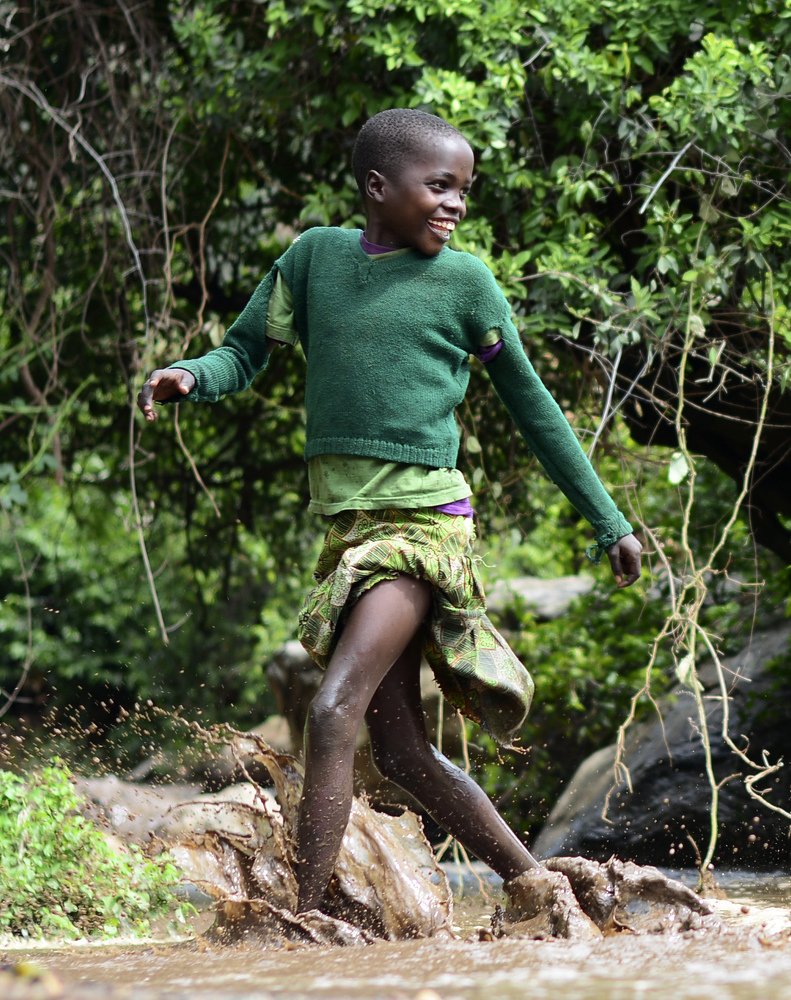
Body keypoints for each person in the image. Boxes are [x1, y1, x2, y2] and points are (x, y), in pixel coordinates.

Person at [138, 108, 642, 922]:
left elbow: (533, 408)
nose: (455, 205)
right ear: (378, 187)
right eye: (438, 186)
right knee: (404, 751)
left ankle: (301, 919)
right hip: (349, 533)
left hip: (422, 529)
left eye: (463, 191)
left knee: (334, 709)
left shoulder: (465, 282)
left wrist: (608, 520)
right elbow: (242, 351)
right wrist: (192, 376)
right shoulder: (314, 260)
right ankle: (537, 883)